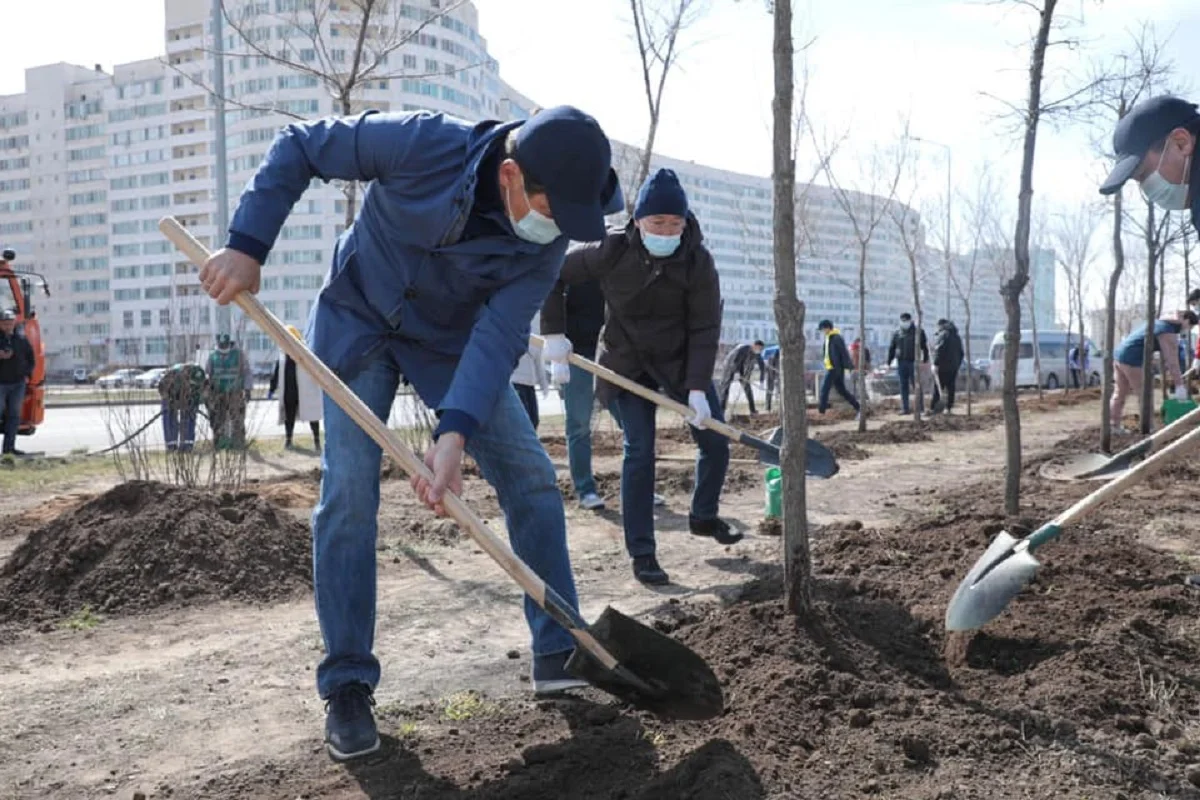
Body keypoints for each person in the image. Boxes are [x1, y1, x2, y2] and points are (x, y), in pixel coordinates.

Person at [197, 104, 622, 761]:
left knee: (531, 478)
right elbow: (301, 146)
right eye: (551, 208)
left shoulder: (547, 240)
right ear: (510, 175)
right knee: (349, 497)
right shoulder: (425, 143)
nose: (558, 228)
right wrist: (248, 245)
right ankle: (347, 686)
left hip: (449, 345)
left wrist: (453, 434)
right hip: (357, 321)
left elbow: (499, 334)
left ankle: (557, 646)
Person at [541, 167, 737, 588]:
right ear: (639, 220)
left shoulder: (698, 261)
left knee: (716, 443)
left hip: (680, 366)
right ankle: (643, 554)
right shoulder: (611, 249)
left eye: (674, 223)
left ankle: (703, 516)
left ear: (685, 222)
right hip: (625, 366)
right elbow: (554, 273)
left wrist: (698, 388)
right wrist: (554, 335)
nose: (666, 231)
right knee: (640, 450)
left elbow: (705, 328)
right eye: (657, 223)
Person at [1100, 95, 1200, 588]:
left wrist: (1181, 383)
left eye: (1143, 175)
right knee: (1126, 393)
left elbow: (1169, 356)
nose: (1147, 189)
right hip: (1126, 356)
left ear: (1181, 142)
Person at [1109, 311, 1196, 431]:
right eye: (1190, 327)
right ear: (1186, 321)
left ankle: (1113, 426)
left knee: (1120, 393)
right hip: (1133, 359)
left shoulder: (1159, 322)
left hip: (1120, 355)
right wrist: (1179, 385)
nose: (1188, 330)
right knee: (1145, 394)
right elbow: (1171, 360)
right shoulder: (1167, 330)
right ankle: (1148, 428)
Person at [269, 325, 324, 450]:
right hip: (289, 392)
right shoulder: (282, 355)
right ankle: (288, 440)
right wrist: (271, 389)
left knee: (312, 416)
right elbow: (277, 373)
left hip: (305, 391)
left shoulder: (306, 353)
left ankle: (316, 441)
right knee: (289, 417)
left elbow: (316, 370)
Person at [205, 332, 252, 450]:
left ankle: (238, 443)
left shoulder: (238, 354)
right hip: (218, 393)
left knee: (237, 419)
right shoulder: (212, 356)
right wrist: (208, 391)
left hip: (235, 392)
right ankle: (220, 443)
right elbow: (207, 374)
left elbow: (247, 372)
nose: (222, 348)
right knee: (218, 419)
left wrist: (247, 389)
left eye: (225, 346)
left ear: (229, 343)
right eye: (221, 346)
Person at [0, 309, 34, 455]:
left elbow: (31, 359)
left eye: (10, 323)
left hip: (17, 383)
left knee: (14, 416)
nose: (8, 326)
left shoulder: (21, 339)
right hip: (1, 383)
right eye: (5, 324)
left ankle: (9, 449)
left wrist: (26, 374)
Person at [510, 312, 550, 431]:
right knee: (522, 424)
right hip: (515, 381)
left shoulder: (534, 326)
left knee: (533, 421)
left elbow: (538, 358)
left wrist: (543, 383)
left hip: (529, 384)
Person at [887, 312, 930, 415]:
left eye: (906, 321)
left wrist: (925, 359)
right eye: (902, 321)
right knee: (903, 386)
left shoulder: (918, 332)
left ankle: (920, 409)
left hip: (914, 362)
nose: (904, 323)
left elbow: (924, 347)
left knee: (916, 386)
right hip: (901, 362)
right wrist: (889, 361)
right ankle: (905, 408)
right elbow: (892, 348)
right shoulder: (897, 333)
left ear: (911, 321)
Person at [157, 362, 206, 452]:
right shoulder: (172, 376)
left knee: (190, 416)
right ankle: (171, 445)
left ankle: (187, 444)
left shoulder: (200, 377)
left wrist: (193, 402)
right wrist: (171, 401)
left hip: (187, 397)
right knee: (169, 417)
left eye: (194, 385)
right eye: (191, 384)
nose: (192, 386)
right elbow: (162, 390)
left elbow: (199, 394)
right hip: (171, 395)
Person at [816, 320, 861, 416]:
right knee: (842, 390)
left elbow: (843, 353)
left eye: (823, 329)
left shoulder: (836, 338)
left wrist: (850, 367)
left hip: (835, 368)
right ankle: (858, 406)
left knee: (825, 388)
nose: (822, 331)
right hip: (831, 367)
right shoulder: (829, 338)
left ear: (827, 327)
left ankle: (821, 411)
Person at [718, 339, 765, 415]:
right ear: (754, 346)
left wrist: (761, 381)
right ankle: (721, 410)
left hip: (740, 367)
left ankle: (752, 410)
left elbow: (762, 366)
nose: (760, 351)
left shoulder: (756, 353)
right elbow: (735, 361)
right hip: (729, 365)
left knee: (747, 388)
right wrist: (736, 372)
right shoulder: (743, 349)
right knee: (725, 388)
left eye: (761, 349)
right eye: (759, 348)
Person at [931, 318, 964, 414]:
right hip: (953, 368)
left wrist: (935, 364)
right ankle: (949, 407)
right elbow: (961, 353)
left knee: (938, 387)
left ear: (940, 325)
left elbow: (939, 350)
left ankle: (935, 408)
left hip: (943, 367)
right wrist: (957, 365)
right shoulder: (956, 337)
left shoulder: (943, 335)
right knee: (951, 388)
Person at [762, 344, 780, 412]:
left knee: (778, 391)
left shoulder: (777, 355)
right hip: (770, 375)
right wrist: (775, 377)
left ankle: (777, 407)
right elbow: (770, 368)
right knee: (770, 390)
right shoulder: (773, 357)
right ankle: (768, 407)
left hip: (775, 374)